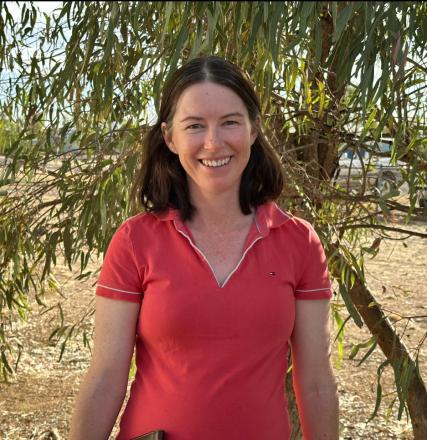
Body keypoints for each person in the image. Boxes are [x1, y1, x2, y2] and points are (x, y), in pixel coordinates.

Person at [69, 56, 339, 440]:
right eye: (195, 125)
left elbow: (316, 384)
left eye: (230, 122)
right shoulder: (135, 241)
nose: (214, 142)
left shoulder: (299, 242)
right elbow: (105, 379)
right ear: (169, 137)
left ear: (253, 129)